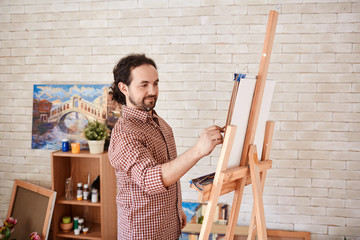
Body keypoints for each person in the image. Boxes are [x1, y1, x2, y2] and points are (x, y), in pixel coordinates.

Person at [108, 53, 224, 240]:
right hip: (142, 233)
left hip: (168, 225)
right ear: (124, 88)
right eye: (144, 85)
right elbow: (149, 178)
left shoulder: (156, 121)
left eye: (156, 83)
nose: (152, 90)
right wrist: (198, 150)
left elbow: (168, 169)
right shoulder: (125, 133)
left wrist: (176, 210)